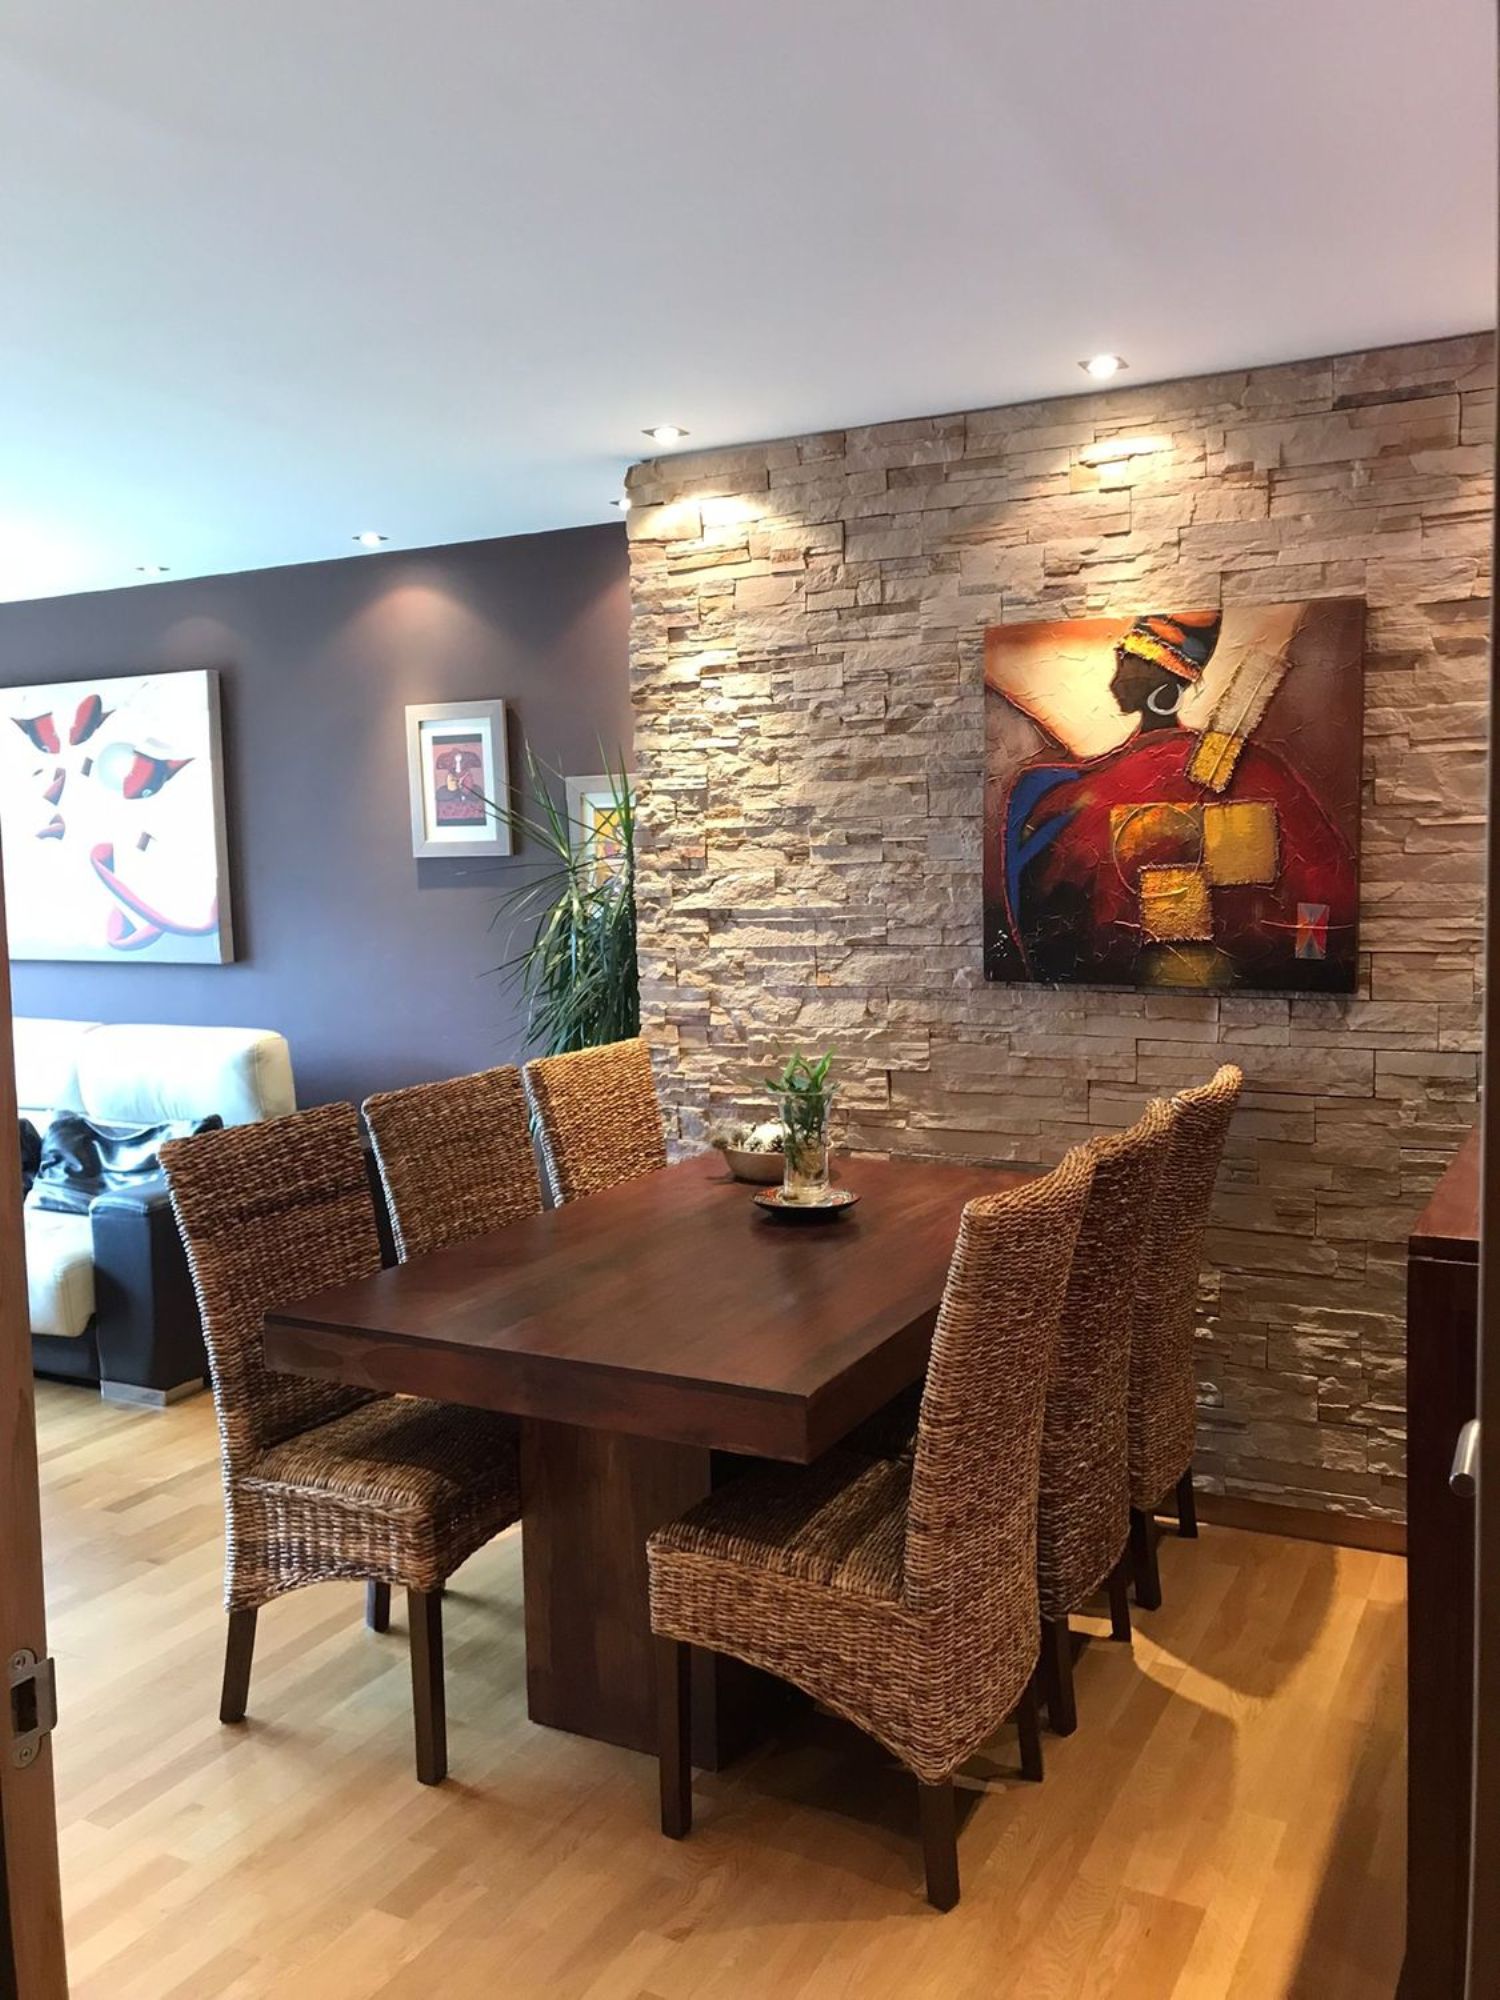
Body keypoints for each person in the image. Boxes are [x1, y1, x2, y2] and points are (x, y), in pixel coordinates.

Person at [992, 610, 1356, 989]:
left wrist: (1306, 974)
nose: (1115, 676)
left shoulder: (1249, 776)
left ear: (1161, 684)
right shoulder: (1081, 791)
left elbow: (1321, 886)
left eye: (1129, 663)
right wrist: (1309, 970)